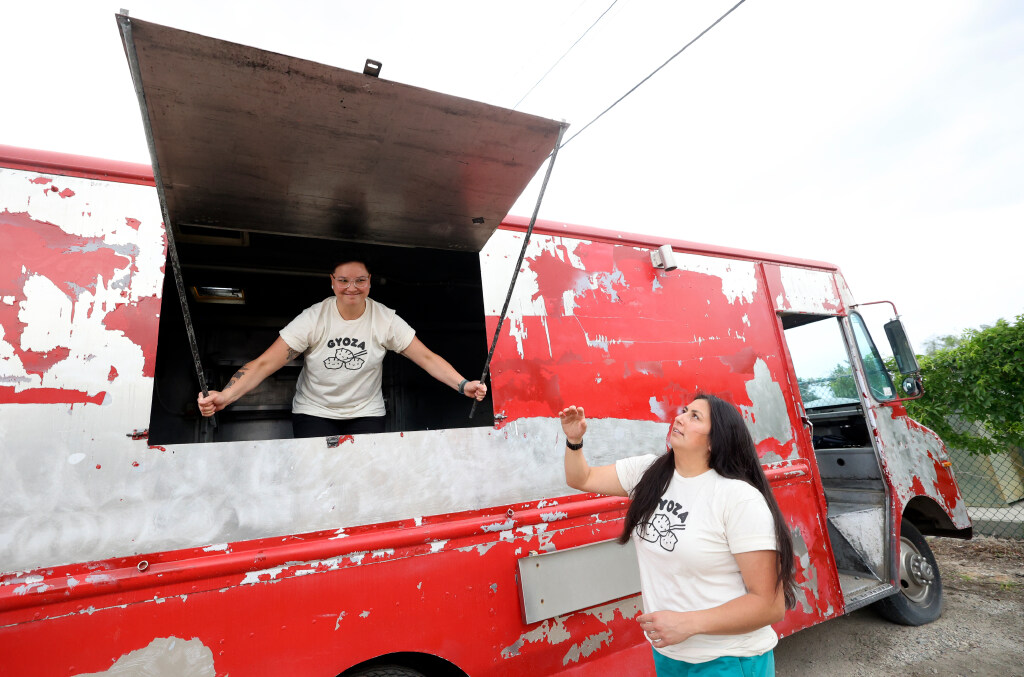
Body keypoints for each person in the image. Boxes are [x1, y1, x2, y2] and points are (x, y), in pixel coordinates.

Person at [558, 394, 796, 676]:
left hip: (729, 659)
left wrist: (688, 623)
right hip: (670, 655)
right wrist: (574, 441)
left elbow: (769, 606)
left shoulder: (738, 499)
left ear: (714, 441)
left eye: (695, 416)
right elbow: (581, 478)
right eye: (684, 411)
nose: (680, 417)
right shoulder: (649, 472)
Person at [198, 260, 487, 437]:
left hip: (367, 412)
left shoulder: (385, 319)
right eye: (344, 280)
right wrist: (226, 395)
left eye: (360, 280)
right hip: (314, 411)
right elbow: (264, 364)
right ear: (332, 283)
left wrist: (463, 385)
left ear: (370, 282)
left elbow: (426, 357)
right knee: (319, 482)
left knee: (361, 482)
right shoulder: (313, 318)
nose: (352, 287)